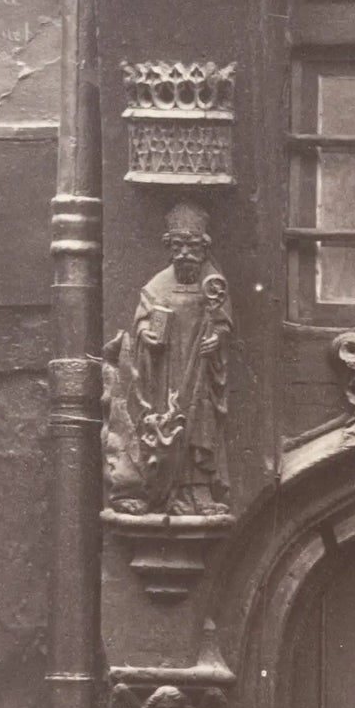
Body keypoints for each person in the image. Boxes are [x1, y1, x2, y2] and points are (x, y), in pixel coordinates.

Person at [112, 201, 233, 513]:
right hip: (165, 374)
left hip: (198, 373)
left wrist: (216, 338)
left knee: (200, 427)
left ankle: (200, 492)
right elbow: (142, 319)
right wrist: (145, 334)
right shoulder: (158, 285)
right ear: (169, 247)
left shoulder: (213, 284)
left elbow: (223, 322)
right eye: (178, 246)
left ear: (203, 248)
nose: (184, 254)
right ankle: (167, 493)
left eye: (191, 246)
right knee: (166, 428)